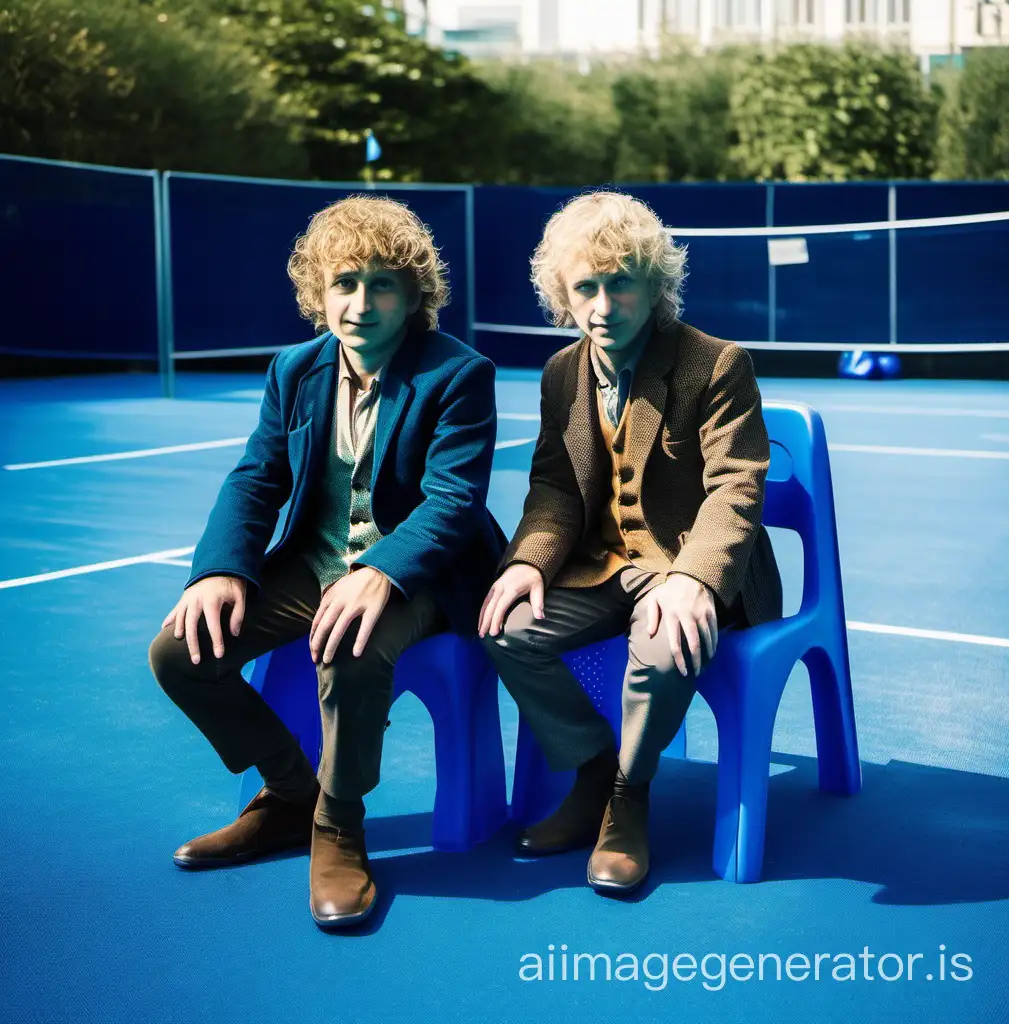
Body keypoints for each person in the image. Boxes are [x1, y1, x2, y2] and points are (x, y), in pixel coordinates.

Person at [150, 195, 505, 928]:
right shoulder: (295, 371)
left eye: (383, 284)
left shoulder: (458, 375)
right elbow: (256, 479)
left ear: (414, 295)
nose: (361, 302)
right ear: (320, 292)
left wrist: (381, 572)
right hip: (314, 566)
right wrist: (219, 569)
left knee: (351, 644)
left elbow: (453, 501)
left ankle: (338, 823)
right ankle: (289, 795)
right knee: (178, 652)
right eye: (344, 282)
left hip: (422, 576)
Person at [480, 191, 782, 895]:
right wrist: (526, 562)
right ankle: (593, 771)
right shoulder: (562, 374)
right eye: (585, 287)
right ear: (563, 294)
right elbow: (555, 489)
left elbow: (735, 489)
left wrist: (696, 580)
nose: (603, 304)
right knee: (505, 627)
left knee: (664, 636)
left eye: (621, 283)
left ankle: (626, 801)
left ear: (655, 286)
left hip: (686, 565)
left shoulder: (716, 363)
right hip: (603, 566)